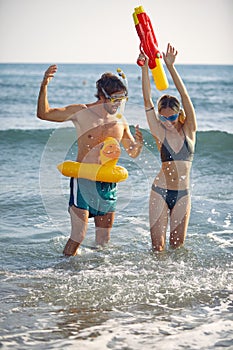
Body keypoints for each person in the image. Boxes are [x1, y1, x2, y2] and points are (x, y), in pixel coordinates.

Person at [37, 65, 143, 256]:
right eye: (114, 98)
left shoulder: (121, 122)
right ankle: (61, 272)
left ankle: (95, 276)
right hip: (83, 180)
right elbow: (44, 113)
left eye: (122, 98)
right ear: (101, 96)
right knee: (78, 235)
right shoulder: (82, 112)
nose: (118, 103)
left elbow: (133, 152)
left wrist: (139, 145)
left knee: (103, 240)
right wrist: (44, 84)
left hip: (107, 184)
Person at [138, 43, 197, 251]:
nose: (167, 122)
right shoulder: (160, 133)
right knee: (158, 248)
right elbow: (147, 101)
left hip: (183, 194)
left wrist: (170, 66)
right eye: (162, 118)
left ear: (179, 114)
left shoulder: (189, 130)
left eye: (171, 117)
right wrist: (145, 68)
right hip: (160, 192)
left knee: (177, 246)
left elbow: (185, 96)